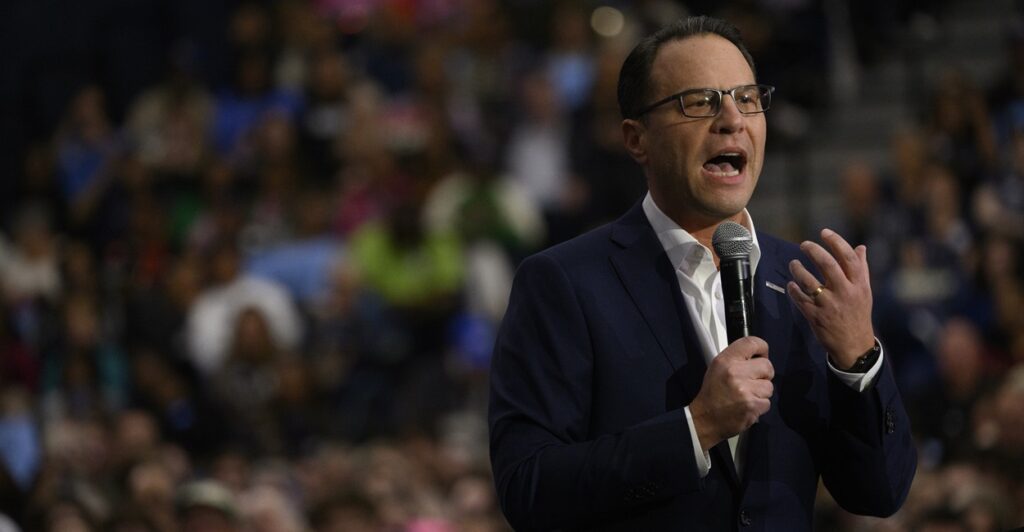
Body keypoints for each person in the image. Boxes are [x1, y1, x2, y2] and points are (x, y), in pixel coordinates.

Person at [488, 15, 916, 531]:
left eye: (748, 98)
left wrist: (859, 358)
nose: (732, 119)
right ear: (636, 139)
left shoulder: (804, 284)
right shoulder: (563, 282)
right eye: (700, 102)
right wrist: (697, 428)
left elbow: (880, 491)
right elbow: (528, 488)